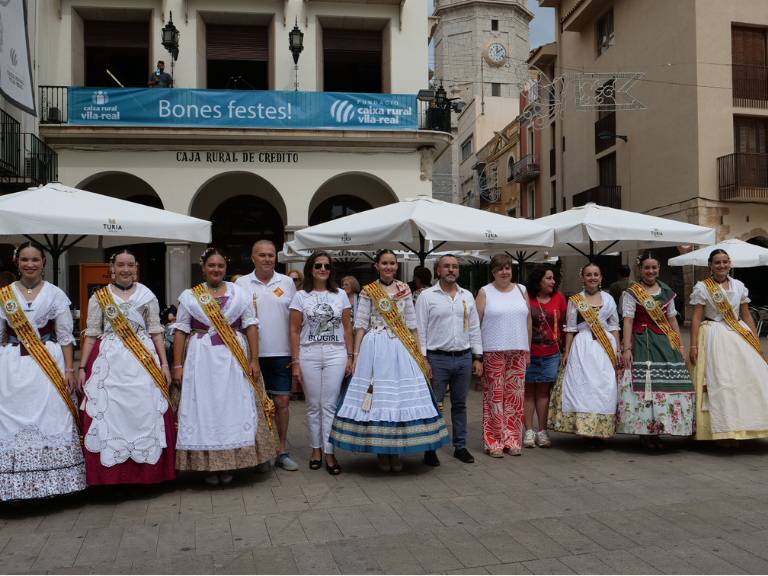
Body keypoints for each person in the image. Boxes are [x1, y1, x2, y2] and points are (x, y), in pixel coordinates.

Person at [330, 250, 449, 472]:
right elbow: (361, 326)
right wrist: (355, 357)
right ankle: (382, 453)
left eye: (392, 263)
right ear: (376, 266)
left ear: (396, 266)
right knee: (380, 399)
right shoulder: (368, 291)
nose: (389, 267)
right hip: (375, 347)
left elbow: (412, 325)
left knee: (400, 400)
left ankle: (395, 451)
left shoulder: (405, 289)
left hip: (401, 348)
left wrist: (420, 355)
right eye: (384, 263)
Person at [172, 247, 276, 485]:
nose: (216, 269)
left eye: (220, 266)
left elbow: (250, 325)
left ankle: (231, 463)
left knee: (233, 405)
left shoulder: (240, 293)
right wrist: (177, 365)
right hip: (201, 357)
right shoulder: (190, 296)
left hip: (234, 357)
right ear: (203, 268)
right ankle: (208, 466)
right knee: (205, 407)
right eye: (211, 266)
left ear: (225, 269)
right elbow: (180, 331)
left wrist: (254, 359)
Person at [78, 250, 175, 485]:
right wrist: (81, 367)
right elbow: (92, 334)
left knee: (143, 410)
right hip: (110, 361)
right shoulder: (99, 297)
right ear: (112, 268)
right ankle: (112, 478)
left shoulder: (146, 294)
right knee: (111, 414)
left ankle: (144, 475)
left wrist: (164, 364)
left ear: (136, 268)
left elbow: (156, 331)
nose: (125, 269)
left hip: (143, 359)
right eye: (120, 265)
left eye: (130, 265)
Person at [0, 242, 86, 500]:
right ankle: (14, 488)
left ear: (43, 262)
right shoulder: (4, 294)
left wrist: (69, 369)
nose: (30, 264)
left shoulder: (55, 294)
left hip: (48, 362)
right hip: (12, 366)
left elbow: (65, 337)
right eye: (25, 259)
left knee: (51, 416)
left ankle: (55, 485)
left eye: (35, 259)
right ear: (17, 262)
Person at [689, 249, 768, 443]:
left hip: (738, 334)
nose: (722, 266)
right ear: (710, 265)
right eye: (717, 262)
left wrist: (755, 339)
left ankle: (746, 428)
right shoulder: (702, 287)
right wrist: (692, 345)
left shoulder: (739, 285)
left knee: (747, 380)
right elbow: (697, 317)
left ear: (730, 263)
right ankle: (723, 431)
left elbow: (746, 313)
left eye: (725, 262)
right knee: (722, 382)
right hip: (713, 333)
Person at [617, 254, 694, 448]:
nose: (650, 271)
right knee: (644, 388)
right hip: (642, 342)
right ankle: (645, 432)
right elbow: (628, 320)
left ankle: (659, 428)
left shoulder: (666, 291)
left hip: (664, 342)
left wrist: (680, 345)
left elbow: (673, 319)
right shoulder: (632, 292)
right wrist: (627, 348)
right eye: (646, 268)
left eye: (654, 268)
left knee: (665, 386)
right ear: (640, 270)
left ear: (659, 269)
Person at [236, 240, 299, 472]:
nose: (267, 259)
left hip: (281, 352)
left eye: (271, 255)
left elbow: (296, 321)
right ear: (252, 258)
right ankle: (259, 452)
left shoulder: (288, 283)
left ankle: (281, 450)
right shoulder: (240, 284)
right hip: (251, 354)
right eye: (261, 255)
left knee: (281, 402)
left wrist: (296, 354)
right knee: (254, 405)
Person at [415, 254, 483, 465]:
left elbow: (474, 328)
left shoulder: (467, 296)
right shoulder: (427, 296)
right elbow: (420, 330)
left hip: (463, 357)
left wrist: (478, 357)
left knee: (460, 404)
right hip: (437, 358)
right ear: (438, 270)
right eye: (446, 266)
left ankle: (460, 446)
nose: (451, 270)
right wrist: (423, 358)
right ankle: (430, 447)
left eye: (454, 267)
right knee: (434, 404)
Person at [289, 252, 353, 475]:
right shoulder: (300, 296)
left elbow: (347, 327)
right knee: (313, 405)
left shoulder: (341, 295)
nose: (323, 269)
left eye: (326, 265)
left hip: (336, 353)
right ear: (311, 268)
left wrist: (351, 356)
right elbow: (295, 330)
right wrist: (295, 361)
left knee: (330, 405)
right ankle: (315, 449)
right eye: (318, 265)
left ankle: (330, 452)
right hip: (309, 353)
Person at [548, 262, 620, 445]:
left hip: (605, 348)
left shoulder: (609, 299)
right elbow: (570, 328)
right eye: (589, 274)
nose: (593, 278)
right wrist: (567, 351)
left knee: (602, 386)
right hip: (583, 345)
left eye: (596, 274)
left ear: (601, 277)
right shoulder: (575, 300)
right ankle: (584, 429)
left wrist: (618, 349)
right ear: (583, 277)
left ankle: (600, 429)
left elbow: (614, 326)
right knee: (583, 386)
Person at [476, 254, 531, 457]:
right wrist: (478, 355)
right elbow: (476, 324)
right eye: (500, 268)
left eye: (508, 268)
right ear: (493, 272)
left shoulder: (521, 290)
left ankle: (513, 439)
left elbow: (528, 322)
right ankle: (494, 441)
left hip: (518, 350)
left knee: (515, 399)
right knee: (495, 398)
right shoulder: (485, 292)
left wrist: (528, 349)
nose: (505, 272)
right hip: (493, 351)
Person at [524, 264, 567, 449]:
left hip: (551, 353)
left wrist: (565, 349)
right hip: (529, 352)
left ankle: (542, 431)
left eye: (553, 278)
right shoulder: (526, 297)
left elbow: (566, 323)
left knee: (543, 392)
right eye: (548, 278)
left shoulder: (559, 298)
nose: (553, 281)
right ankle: (528, 431)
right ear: (538, 280)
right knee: (527, 393)